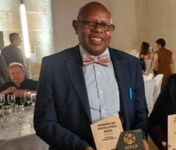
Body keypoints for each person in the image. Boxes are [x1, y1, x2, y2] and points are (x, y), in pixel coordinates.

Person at [34, 2, 149, 150]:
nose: (98, 30)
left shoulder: (130, 64)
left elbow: (140, 111)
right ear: (76, 26)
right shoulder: (54, 65)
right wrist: (81, 147)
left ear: (112, 30)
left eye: (105, 25)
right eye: (90, 23)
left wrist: (141, 137)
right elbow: (44, 122)